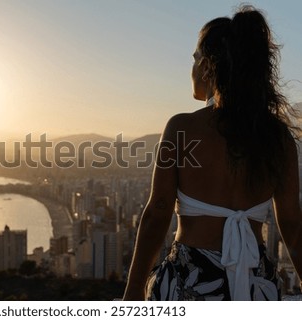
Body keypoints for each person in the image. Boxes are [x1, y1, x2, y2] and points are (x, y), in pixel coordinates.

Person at [123, 6, 302, 301]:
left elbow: (158, 212)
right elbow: (293, 225)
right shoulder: (277, 138)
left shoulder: (182, 128)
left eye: (194, 58)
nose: (191, 68)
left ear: (208, 66)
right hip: (257, 284)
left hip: (190, 280)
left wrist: (131, 293)